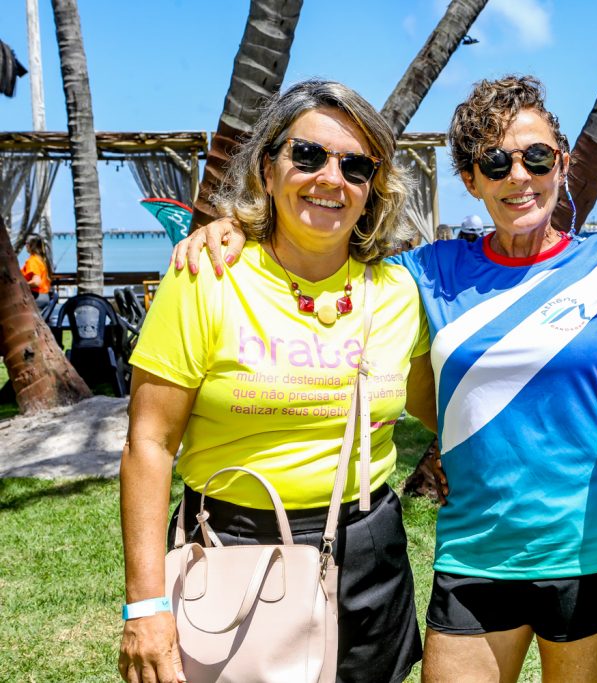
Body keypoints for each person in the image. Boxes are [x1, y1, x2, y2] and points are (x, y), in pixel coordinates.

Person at [176, 75, 597, 682]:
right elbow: (324, 255)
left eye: (536, 158)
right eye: (494, 162)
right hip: (475, 556)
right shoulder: (428, 273)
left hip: (595, 553)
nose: (519, 177)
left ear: (562, 164)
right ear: (471, 179)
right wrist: (233, 229)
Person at [118, 79, 435, 683]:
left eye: (356, 166)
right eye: (308, 155)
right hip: (235, 545)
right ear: (268, 169)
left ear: (373, 190)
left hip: (370, 549)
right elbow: (148, 445)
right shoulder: (207, 276)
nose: (330, 178)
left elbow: (438, 405)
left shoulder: (398, 292)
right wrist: (146, 604)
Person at [20, 233, 53, 309]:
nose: (25, 245)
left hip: (36, 297)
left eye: (26, 243)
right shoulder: (42, 259)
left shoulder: (33, 261)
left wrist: (20, 286)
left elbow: (36, 282)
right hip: (44, 296)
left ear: (31, 245)